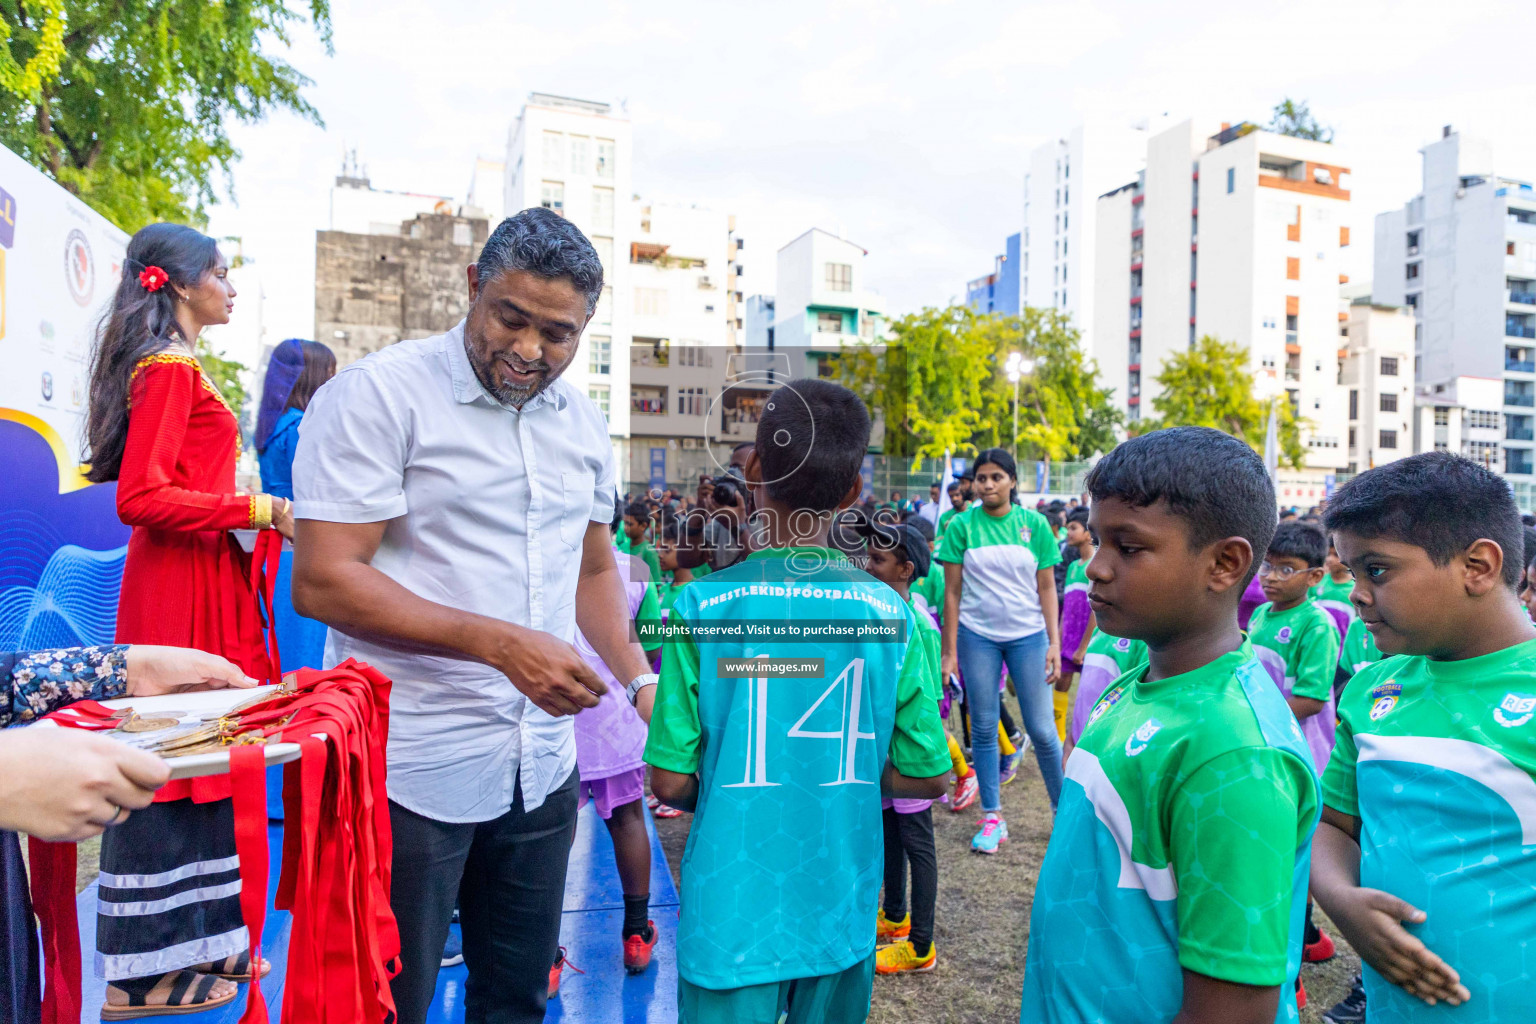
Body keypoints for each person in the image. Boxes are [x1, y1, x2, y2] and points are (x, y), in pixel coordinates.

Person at [291, 208, 654, 1024]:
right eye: (510, 318)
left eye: (557, 334)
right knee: (391, 1001)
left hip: (541, 766)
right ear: (472, 287)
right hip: (409, 767)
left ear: (586, 328)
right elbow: (324, 579)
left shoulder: (585, 424)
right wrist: (495, 645)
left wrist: (638, 681)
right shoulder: (379, 396)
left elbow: (593, 569)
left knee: (518, 999)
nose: (528, 350)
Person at [641, 379, 950, 1024]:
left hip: (730, 914)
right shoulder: (894, 615)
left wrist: (740, 782)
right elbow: (928, 772)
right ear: (851, 494)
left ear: (752, 470)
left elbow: (669, 782)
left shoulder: (699, 607)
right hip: (838, 906)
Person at [1021, 426, 1319, 1024]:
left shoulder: (1235, 752)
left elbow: (1233, 1010)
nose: (1096, 568)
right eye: (1099, 539)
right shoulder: (1140, 684)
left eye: (1128, 548)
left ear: (1225, 564)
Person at [84, 222, 293, 1016]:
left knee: (201, 753)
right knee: (170, 760)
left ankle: (205, 944)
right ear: (174, 283)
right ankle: (141, 975)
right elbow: (142, 497)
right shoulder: (168, 369)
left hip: (196, 576)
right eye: (221, 272)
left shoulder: (176, 366)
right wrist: (261, 506)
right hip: (179, 587)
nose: (230, 285)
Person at [1313, 452, 1536, 1023]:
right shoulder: (1371, 691)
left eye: (1378, 571)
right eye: (1351, 572)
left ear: (1478, 566)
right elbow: (1331, 826)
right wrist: (1344, 901)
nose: (1357, 593)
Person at [936, 447, 1063, 854]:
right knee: (985, 730)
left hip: (1029, 636)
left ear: (1012, 481)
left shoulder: (1035, 525)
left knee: (1043, 731)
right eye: (981, 478)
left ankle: (1064, 814)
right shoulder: (960, 525)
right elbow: (951, 594)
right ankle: (992, 816)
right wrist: (948, 651)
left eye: (996, 477)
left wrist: (1054, 642)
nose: (988, 485)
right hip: (978, 638)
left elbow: (1047, 587)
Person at [569, 544, 663, 975]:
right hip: (616, 722)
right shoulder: (635, 570)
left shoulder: (539, 555)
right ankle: (636, 933)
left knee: (550, 839)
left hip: (555, 721)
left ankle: (546, 956)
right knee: (628, 821)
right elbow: (653, 645)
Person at [864, 522, 944, 977]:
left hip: (910, 755)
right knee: (890, 833)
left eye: (878, 560)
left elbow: (928, 700)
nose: (867, 566)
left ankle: (921, 945)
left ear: (905, 569)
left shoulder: (918, 624)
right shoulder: (878, 616)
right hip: (884, 754)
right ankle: (895, 917)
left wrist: (924, 752)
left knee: (918, 842)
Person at [255, 338, 337, 673]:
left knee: (279, 646)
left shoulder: (273, 426)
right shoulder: (302, 428)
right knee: (306, 652)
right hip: (304, 542)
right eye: (330, 372)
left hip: (274, 548)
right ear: (313, 377)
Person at [1248, 521, 1341, 777]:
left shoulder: (1316, 623)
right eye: (1266, 565)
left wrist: (1251, 720)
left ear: (1315, 576)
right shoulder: (1259, 614)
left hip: (1299, 743)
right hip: (1263, 736)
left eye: (1286, 569)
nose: (1271, 576)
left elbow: (1311, 701)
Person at [1056, 507, 1095, 743]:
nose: (1068, 532)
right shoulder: (1072, 567)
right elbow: (1067, 609)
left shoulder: (1094, 566)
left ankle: (1086, 737)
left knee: (1088, 689)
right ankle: (1059, 736)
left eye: (1073, 528)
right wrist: (1059, 638)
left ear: (1089, 533)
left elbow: (1094, 612)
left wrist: (1084, 646)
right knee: (1061, 682)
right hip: (1068, 640)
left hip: (1085, 642)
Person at [1311, 540, 1356, 637]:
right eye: (1328, 554)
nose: (1330, 559)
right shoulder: (1317, 582)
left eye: (1336, 555)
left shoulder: (1354, 589)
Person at [618, 500, 663, 584]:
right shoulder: (622, 547)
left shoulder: (649, 552)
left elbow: (656, 583)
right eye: (625, 523)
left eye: (630, 524)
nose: (626, 528)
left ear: (643, 526)